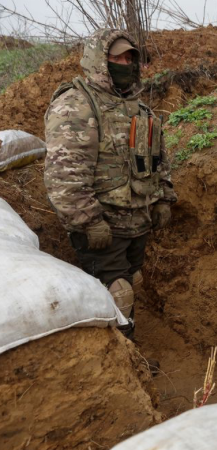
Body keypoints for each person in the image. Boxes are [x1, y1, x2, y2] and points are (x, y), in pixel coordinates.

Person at [44, 29, 176, 339]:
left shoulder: (139, 109)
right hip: (101, 227)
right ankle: (121, 363)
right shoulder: (76, 105)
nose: (126, 64)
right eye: (117, 58)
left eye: (130, 58)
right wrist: (89, 220)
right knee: (117, 292)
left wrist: (163, 199)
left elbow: (159, 160)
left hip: (137, 221)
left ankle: (128, 352)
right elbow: (64, 175)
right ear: (99, 61)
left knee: (133, 283)